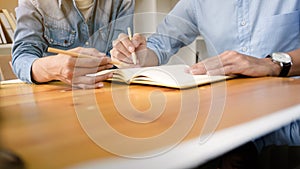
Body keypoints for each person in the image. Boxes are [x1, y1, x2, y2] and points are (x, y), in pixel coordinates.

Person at [110, 0, 300, 168]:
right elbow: (160, 44)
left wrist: (271, 64)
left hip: (289, 116)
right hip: (226, 118)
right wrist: (139, 56)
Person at [12, 0, 134, 89]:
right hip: (55, 94)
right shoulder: (34, 2)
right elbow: (21, 58)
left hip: (105, 91)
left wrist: (127, 56)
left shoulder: (123, 2)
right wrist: (54, 68)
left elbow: (119, 57)